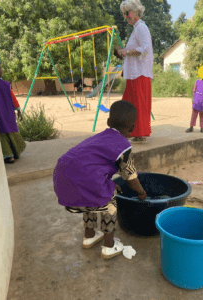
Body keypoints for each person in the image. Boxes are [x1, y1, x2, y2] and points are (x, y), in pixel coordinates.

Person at [53, 100, 147, 259]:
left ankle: (89, 236)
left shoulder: (99, 138)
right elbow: (129, 176)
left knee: (91, 194)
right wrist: (142, 192)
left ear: (108, 122)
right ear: (132, 128)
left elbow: (89, 169)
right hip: (83, 183)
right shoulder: (123, 146)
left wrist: (110, 185)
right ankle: (109, 246)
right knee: (110, 203)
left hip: (62, 182)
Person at [115, 0, 154, 143]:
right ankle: (134, 132)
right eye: (124, 14)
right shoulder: (136, 29)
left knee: (136, 104)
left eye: (127, 13)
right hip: (134, 74)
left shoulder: (141, 28)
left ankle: (140, 132)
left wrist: (127, 52)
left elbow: (145, 49)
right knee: (129, 104)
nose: (125, 16)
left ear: (135, 11)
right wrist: (125, 52)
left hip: (140, 74)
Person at [0, 57, 26, 164]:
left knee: (1, 135)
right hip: (8, 114)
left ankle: (8, 156)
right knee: (11, 132)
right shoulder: (5, 84)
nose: (2, 71)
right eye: (1, 69)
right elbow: (13, 99)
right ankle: (15, 153)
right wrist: (18, 110)